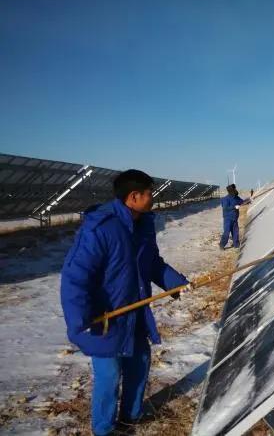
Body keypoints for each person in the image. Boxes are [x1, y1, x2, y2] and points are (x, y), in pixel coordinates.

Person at [60, 169, 190, 435]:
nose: (153, 197)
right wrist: (79, 322)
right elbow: (76, 277)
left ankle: (131, 418)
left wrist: (176, 283)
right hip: (106, 319)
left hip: (136, 313)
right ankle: (104, 429)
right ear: (134, 197)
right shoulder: (101, 229)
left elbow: (151, 263)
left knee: (139, 365)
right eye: (149, 193)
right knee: (108, 377)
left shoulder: (143, 226)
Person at [220, 184, 248, 249]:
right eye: (234, 189)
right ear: (231, 190)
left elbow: (242, 202)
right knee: (226, 233)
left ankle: (236, 245)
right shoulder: (226, 199)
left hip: (235, 218)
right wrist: (234, 207)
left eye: (235, 189)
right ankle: (222, 245)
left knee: (235, 232)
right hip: (228, 219)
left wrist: (249, 200)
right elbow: (225, 208)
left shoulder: (236, 198)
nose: (236, 190)